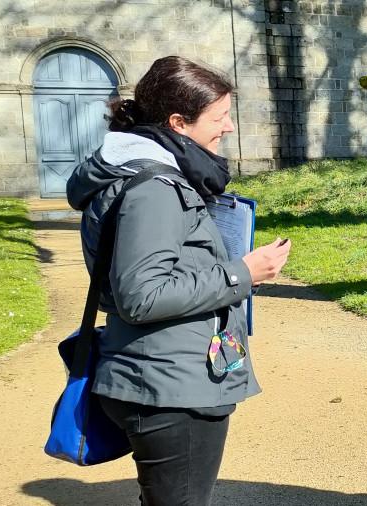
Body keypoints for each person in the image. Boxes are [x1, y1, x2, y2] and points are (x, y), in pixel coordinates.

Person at [66, 55, 292, 505]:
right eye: (219, 116)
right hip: (169, 386)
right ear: (178, 123)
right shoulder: (154, 187)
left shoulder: (145, 174)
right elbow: (141, 295)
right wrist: (241, 272)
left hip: (164, 372)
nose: (228, 126)